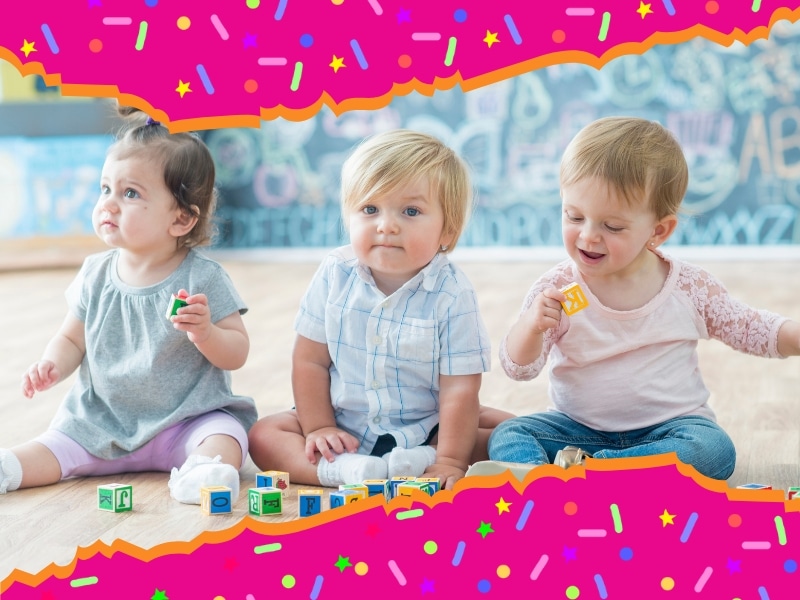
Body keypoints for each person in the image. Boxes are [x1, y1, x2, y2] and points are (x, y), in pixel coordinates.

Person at [482, 116, 800, 480]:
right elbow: (518, 367)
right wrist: (531, 326)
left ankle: (588, 475)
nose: (587, 236)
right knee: (511, 434)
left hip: (669, 429)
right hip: (578, 429)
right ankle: (582, 484)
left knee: (713, 450)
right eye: (574, 216)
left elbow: (748, 327)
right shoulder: (556, 288)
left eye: (612, 226)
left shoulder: (689, 289)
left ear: (658, 231)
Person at [0, 107, 257, 503]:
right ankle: (9, 468)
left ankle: (206, 472)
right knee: (52, 446)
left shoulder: (202, 278)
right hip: (100, 424)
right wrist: (53, 364)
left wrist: (206, 333)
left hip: (185, 423)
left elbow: (237, 352)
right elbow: (72, 339)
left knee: (227, 435)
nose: (109, 204)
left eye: (130, 193)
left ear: (181, 220)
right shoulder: (94, 273)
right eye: (105, 189)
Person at [248, 129, 513, 490]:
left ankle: (424, 459)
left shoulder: (452, 294)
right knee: (264, 435)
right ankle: (343, 470)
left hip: (425, 425)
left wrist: (450, 459)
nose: (386, 225)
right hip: (345, 423)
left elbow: (459, 390)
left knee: (513, 432)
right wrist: (319, 427)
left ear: (447, 231)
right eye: (370, 209)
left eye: (411, 211)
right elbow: (309, 361)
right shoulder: (335, 274)